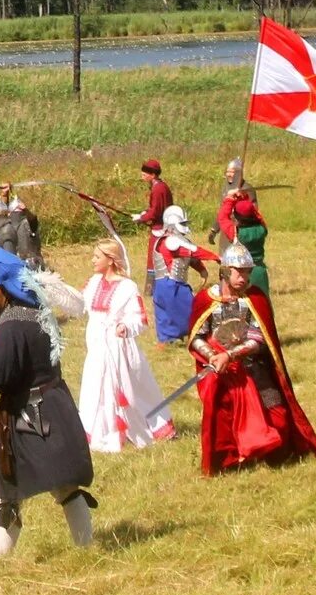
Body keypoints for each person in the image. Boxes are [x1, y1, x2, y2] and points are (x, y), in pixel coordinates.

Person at [0, 245, 95, 558]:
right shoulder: (38, 314)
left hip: (28, 415)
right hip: (52, 404)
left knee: (6, 493)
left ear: (1, 289)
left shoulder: (13, 324)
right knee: (65, 486)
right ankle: (87, 549)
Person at [186, 243, 316, 476]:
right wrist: (213, 356)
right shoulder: (205, 299)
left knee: (278, 418)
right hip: (222, 372)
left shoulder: (254, 299)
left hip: (253, 366)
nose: (244, 277)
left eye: (247, 272)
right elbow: (196, 337)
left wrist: (230, 354)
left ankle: (270, 452)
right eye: (238, 271)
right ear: (224, 271)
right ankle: (232, 461)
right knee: (222, 418)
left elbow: (259, 338)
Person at [76, 238, 173, 451]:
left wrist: (125, 327)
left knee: (128, 390)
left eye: (97, 257)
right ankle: (100, 430)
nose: (93, 260)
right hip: (97, 347)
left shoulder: (127, 287)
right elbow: (79, 303)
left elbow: (139, 318)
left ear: (110, 260)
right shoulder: (93, 283)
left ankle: (138, 427)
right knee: (95, 389)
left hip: (118, 348)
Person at [151, 205, 216, 346]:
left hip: (163, 286)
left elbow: (189, 258)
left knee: (165, 316)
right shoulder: (170, 241)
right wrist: (216, 257)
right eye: (182, 223)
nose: (185, 227)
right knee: (193, 312)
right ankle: (198, 338)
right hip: (172, 285)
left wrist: (201, 269)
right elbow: (193, 252)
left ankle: (166, 343)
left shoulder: (175, 240)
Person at [217, 191, 270, 295]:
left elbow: (222, 217)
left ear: (236, 216)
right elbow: (255, 213)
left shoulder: (235, 232)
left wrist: (230, 199)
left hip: (242, 274)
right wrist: (244, 198)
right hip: (260, 272)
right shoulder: (262, 228)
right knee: (262, 306)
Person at [134, 159, 174, 291]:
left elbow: (155, 212)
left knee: (155, 259)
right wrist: (145, 213)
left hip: (160, 229)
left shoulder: (158, 189)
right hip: (162, 226)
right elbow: (155, 209)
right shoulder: (160, 186)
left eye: (146, 172)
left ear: (153, 174)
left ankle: (152, 289)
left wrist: (141, 218)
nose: (143, 174)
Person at [209, 157, 258, 250]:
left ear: (239, 173)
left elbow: (254, 211)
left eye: (232, 172)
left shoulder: (247, 188)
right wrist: (214, 229)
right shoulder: (225, 187)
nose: (229, 174)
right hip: (227, 229)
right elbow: (222, 211)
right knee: (225, 258)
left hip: (242, 229)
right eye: (228, 171)